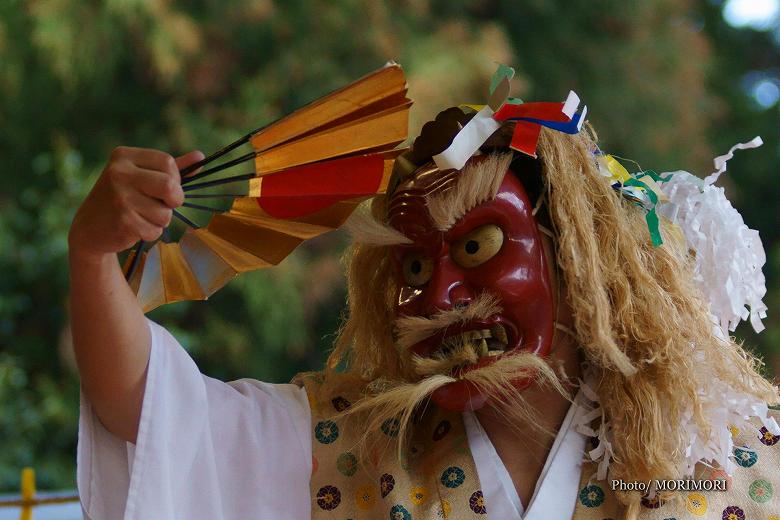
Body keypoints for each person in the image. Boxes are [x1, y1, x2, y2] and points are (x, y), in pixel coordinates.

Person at [70, 74, 780, 519]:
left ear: (578, 258)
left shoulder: (723, 457)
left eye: (477, 247)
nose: (436, 294)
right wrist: (96, 257)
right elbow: (147, 408)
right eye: (412, 268)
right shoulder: (352, 444)